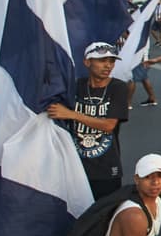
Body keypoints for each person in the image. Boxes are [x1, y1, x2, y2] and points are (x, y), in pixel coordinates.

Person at [48, 42, 131, 200]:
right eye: (102, 60)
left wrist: (72, 114)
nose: (108, 66)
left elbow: (109, 125)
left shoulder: (118, 88)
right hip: (75, 166)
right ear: (87, 62)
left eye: (111, 61)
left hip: (106, 169)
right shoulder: (75, 86)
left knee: (104, 216)